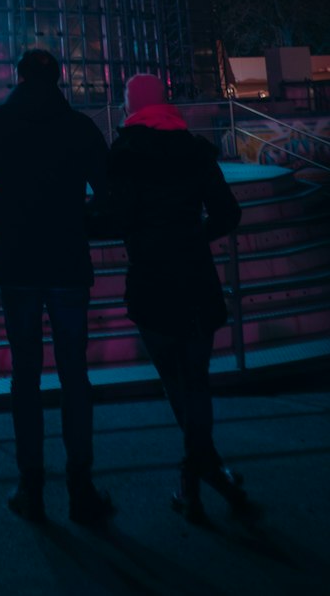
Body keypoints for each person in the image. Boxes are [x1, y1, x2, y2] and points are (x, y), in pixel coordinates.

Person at [0, 48, 113, 525]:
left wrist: (4, 217)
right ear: (59, 78)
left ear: (20, 77)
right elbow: (109, 189)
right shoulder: (80, 127)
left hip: (17, 261)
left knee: (25, 375)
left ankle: (31, 485)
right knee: (75, 375)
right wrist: (79, 218)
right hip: (67, 261)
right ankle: (81, 486)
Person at [104, 73, 255, 523]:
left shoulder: (125, 153)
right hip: (194, 276)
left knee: (175, 383)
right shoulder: (194, 150)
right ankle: (201, 473)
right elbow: (227, 212)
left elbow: (117, 217)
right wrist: (194, 238)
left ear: (132, 103)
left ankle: (196, 476)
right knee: (196, 379)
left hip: (151, 278)